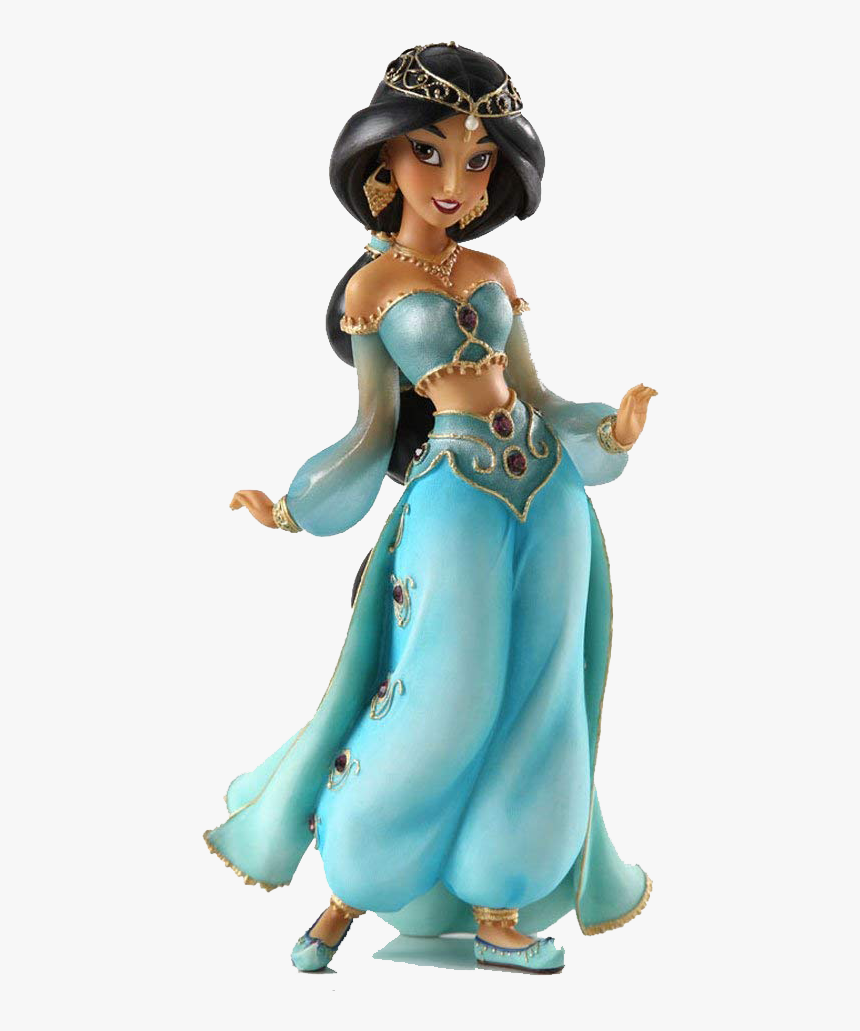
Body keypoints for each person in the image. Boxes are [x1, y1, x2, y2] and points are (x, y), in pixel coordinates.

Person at [206, 42, 656, 975]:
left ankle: (499, 908)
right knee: (437, 694)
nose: (455, 182)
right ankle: (348, 890)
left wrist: (609, 430)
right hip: (453, 499)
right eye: (431, 152)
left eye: (479, 159)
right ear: (383, 155)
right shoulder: (372, 288)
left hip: (549, 493)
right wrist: (292, 507)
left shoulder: (491, 268)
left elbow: (539, 393)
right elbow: (372, 432)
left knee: (543, 695)